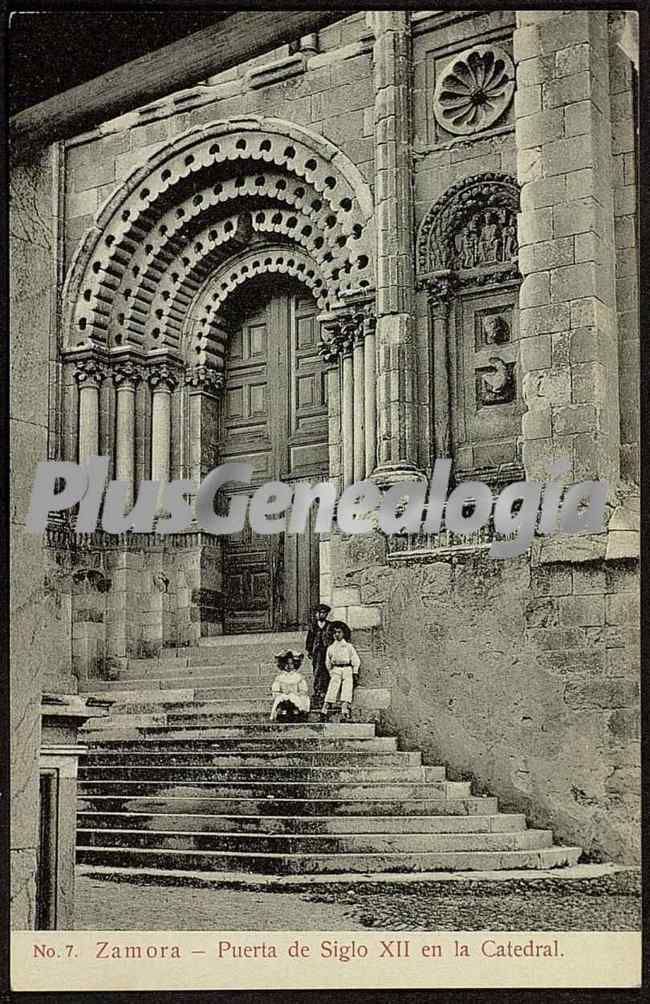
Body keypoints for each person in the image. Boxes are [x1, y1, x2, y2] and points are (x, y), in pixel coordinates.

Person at [320, 623, 360, 722]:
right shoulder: (331, 648)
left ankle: (344, 709)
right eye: (335, 633)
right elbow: (327, 662)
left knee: (347, 687)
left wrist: (355, 672)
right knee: (333, 687)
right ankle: (325, 709)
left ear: (343, 634)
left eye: (339, 632)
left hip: (347, 669)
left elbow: (356, 660)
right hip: (336, 669)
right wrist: (331, 672)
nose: (337, 634)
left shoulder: (348, 647)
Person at [305, 603, 334, 710]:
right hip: (317, 652)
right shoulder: (313, 626)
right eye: (319, 613)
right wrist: (309, 650)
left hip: (327, 651)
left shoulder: (330, 625)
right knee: (317, 670)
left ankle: (326, 691)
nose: (321, 615)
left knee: (326, 670)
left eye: (324, 613)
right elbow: (309, 639)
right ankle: (318, 690)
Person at [269, 650, 310, 722]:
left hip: (296, 697)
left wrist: (296, 694)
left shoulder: (298, 677)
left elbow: (303, 690)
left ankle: (298, 712)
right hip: (284, 698)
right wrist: (282, 695)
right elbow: (276, 691)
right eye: (286, 664)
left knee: (297, 699)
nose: (288, 666)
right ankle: (282, 714)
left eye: (291, 664)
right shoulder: (279, 678)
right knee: (281, 699)